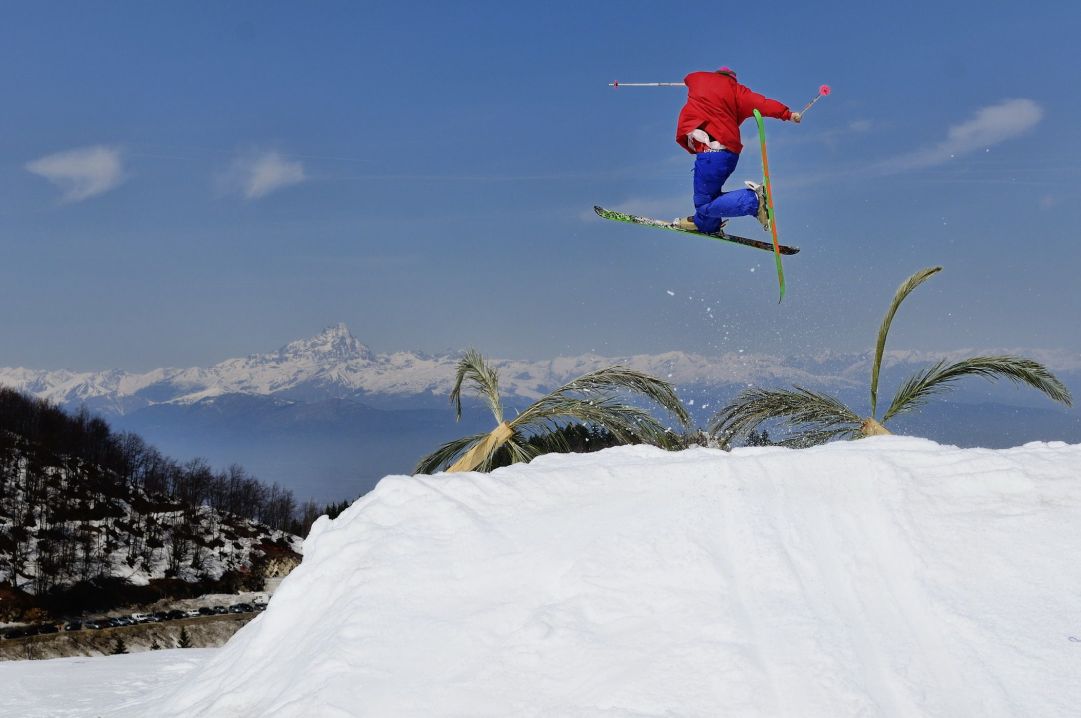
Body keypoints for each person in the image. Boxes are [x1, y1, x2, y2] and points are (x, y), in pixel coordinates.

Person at [673, 67, 800, 235]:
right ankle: (706, 225)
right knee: (709, 198)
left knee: (704, 204)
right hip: (729, 155)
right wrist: (788, 114)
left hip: (710, 152)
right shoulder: (739, 92)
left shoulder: (699, 79)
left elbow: (689, 77)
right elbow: (763, 103)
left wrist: (689, 84)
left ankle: (753, 201)